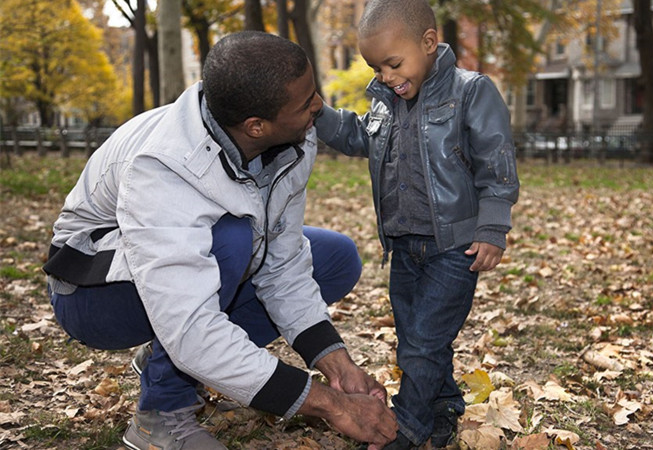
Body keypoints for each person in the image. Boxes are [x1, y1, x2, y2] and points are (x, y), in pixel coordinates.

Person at [44, 31, 397, 450]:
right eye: (305, 103)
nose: (319, 106)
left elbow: (281, 265)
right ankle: (160, 414)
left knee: (335, 258)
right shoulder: (164, 167)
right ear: (256, 125)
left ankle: (168, 361)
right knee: (231, 241)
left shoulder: (292, 135)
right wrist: (332, 406)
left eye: (313, 92)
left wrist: (338, 366)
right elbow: (192, 326)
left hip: (175, 275)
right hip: (90, 292)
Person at [314, 0, 519, 448]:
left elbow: (496, 162)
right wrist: (319, 114)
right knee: (416, 336)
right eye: (376, 67)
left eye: (392, 63)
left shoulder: (470, 91)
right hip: (405, 246)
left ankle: (404, 426)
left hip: (454, 247)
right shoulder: (386, 104)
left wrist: (492, 228)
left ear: (428, 43)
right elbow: (356, 136)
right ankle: (443, 406)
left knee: (423, 342)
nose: (386, 76)